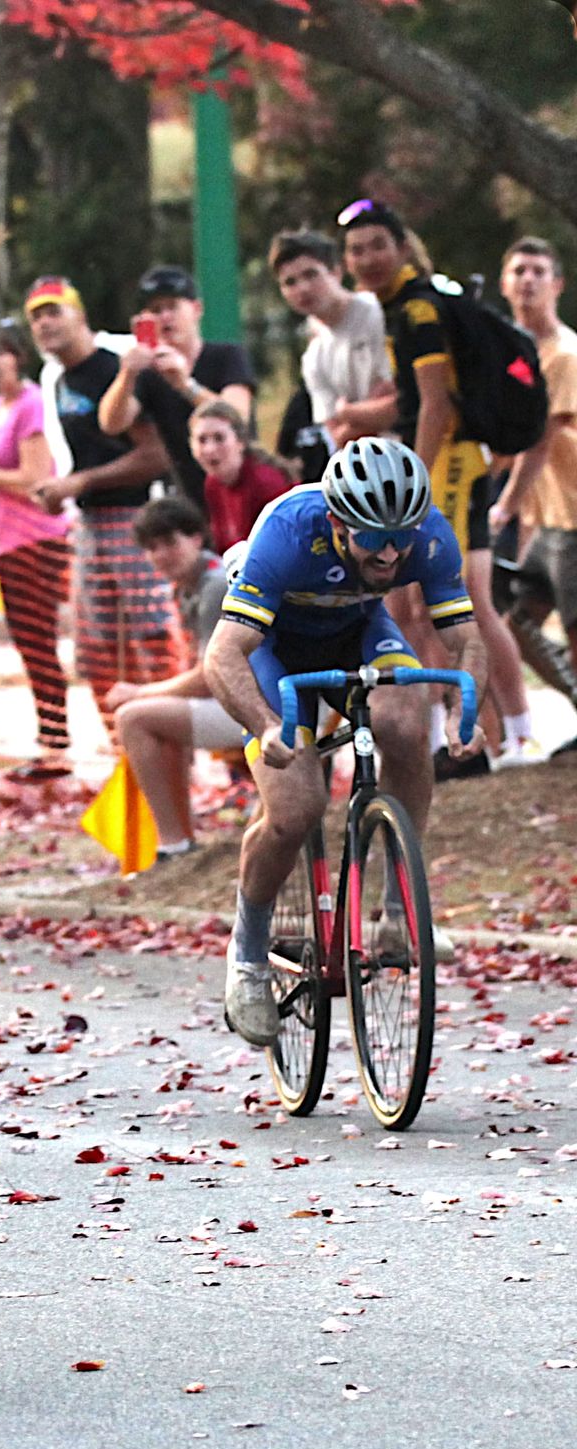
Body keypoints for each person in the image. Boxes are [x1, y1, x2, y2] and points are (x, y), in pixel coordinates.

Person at [204, 437, 487, 1046]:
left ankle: (393, 914)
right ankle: (248, 958)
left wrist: (469, 711)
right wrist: (264, 726)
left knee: (408, 723)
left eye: (399, 537)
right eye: (371, 537)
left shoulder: (427, 535)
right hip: (274, 653)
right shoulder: (287, 530)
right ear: (336, 522)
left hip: (356, 632)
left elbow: (467, 638)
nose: (389, 552)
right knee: (296, 808)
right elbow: (223, 653)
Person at [339, 199, 534, 774]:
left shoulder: (418, 310)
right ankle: (474, 740)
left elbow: (435, 405)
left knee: (444, 605)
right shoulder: (402, 306)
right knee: (447, 605)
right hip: (453, 464)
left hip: (446, 466)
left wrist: (412, 486)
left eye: (378, 245)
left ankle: (499, 738)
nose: (368, 258)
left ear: (402, 248)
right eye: (356, 250)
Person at [25, 275, 175, 733]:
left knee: (153, 640)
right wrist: (61, 491)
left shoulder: (117, 365)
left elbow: (157, 455)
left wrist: (79, 482)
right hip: (89, 522)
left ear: (81, 315)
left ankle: (172, 742)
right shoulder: (55, 379)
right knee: (95, 648)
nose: (46, 323)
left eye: (55, 311)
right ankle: (124, 749)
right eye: (36, 316)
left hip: (140, 519)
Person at [106, 496, 244, 860]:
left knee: (133, 718)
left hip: (254, 708)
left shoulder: (215, 586)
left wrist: (139, 692)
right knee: (155, 719)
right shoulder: (189, 586)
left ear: (197, 538)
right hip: (240, 703)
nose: (161, 555)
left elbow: (208, 677)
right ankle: (179, 836)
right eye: (152, 547)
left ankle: (173, 843)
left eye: (170, 542)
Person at [97, 264, 256, 506]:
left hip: (245, 490)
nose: (165, 317)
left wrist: (185, 384)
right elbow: (112, 423)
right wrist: (127, 375)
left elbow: (237, 416)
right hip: (191, 498)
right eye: (156, 310)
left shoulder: (226, 356)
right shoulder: (149, 374)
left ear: (196, 309)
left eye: (172, 307)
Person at [491, 236, 577, 681]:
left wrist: (502, 507)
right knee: (518, 623)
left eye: (538, 272)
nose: (528, 281)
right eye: (518, 271)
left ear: (557, 284)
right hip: (550, 520)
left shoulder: (565, 355)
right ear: (503, 284)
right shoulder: (514, 353)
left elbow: (540, 441)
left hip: (574, 517)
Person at [0, 321, 73, 777]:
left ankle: (57, 743)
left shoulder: (29, 405)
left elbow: (33, 478)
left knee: (40, 641)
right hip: (5, 542)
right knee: (27, 643)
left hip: (37, 537)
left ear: (15, 356)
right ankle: (50, 737)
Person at [268, 229, 392, 451]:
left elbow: (403, 403)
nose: (302, 289)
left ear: (336, 271)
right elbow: (339, 438)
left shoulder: (378, 313)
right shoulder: (314, 356)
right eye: (290, 282)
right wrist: (369, 412)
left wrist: (348, 412)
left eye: (311, 274)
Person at [189, 401, 293, 556]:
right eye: (202, 440)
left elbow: (281, 549)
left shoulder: (264, 483)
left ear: (240, 442)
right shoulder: (213, 484)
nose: (209, 449)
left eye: (219, 438)